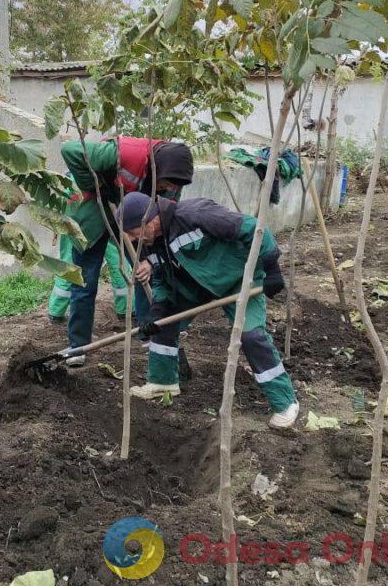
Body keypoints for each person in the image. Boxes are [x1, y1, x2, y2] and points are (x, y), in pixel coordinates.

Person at [116, 191, 300, 429]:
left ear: (149, 221)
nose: (131, 239)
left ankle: (285, 402)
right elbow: (161, 277)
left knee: (251, 336)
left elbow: (253, 227)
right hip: (198, 285)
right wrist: (159, 308)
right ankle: (163, 381)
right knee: (163, 323)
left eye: (132, 232)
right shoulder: (150, 242)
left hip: (239, 278)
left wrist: (271, 266)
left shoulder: (195, 214)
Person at [60, 136, 194, 366]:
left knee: (145, 272)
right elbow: (70, 149)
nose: (172, 189)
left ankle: (149, 332)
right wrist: (95, 187)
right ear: (159, 169)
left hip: (136, 224)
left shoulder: (174, 182)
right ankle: (78, 346)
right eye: (169, 183)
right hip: (97, 215)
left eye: (176, 186)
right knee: (85, 280)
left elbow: (167, 213)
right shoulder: (126, 154)